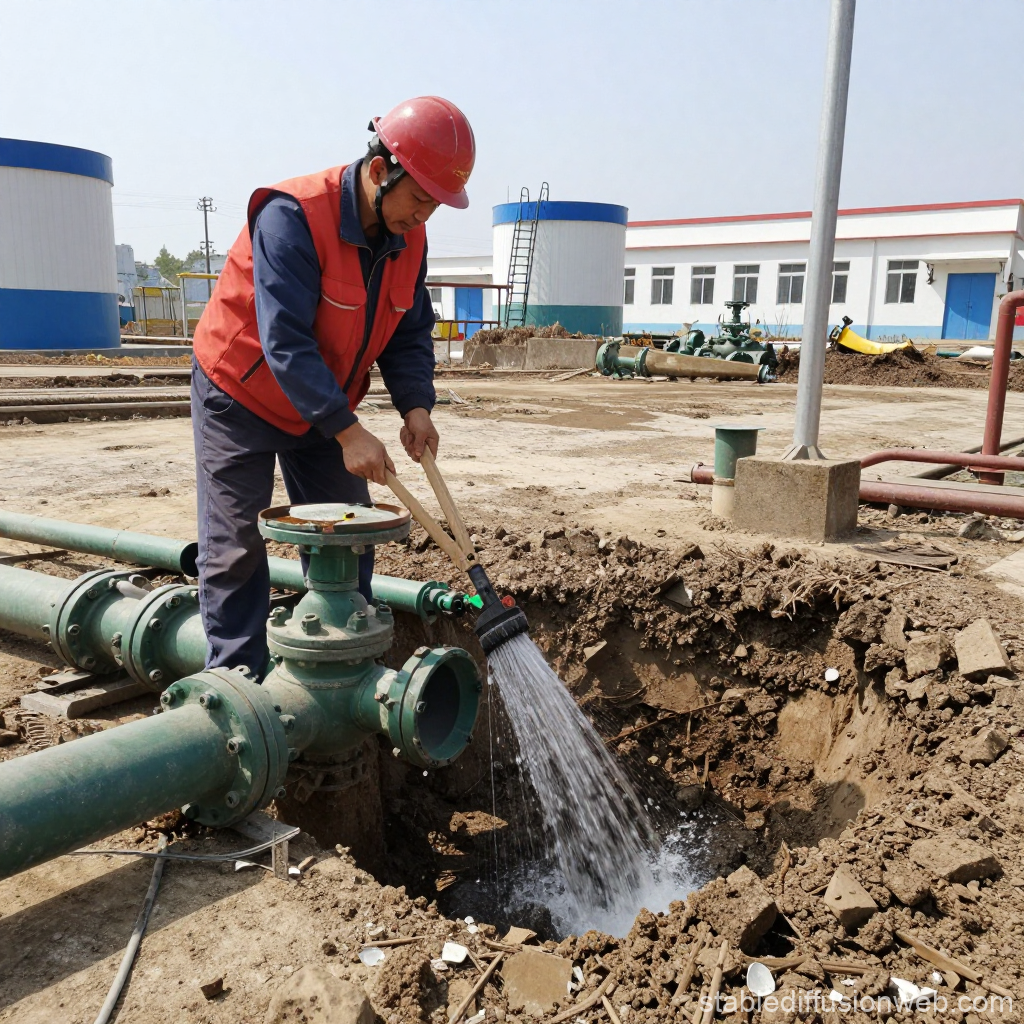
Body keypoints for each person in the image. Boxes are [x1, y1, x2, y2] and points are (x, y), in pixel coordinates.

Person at [190, 95, 475, 677]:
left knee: (348, 535)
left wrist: (417, 406)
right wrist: (349, 432)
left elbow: (409, 330)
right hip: (240, 393)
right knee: (237, 545)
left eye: (434, 206)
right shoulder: (292, 216)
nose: (421, 216)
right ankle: (238, 687)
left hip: (322, 406)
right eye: (417, 197)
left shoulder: (408, 240)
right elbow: (286, 342)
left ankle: (339, 669)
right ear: (379, 170)